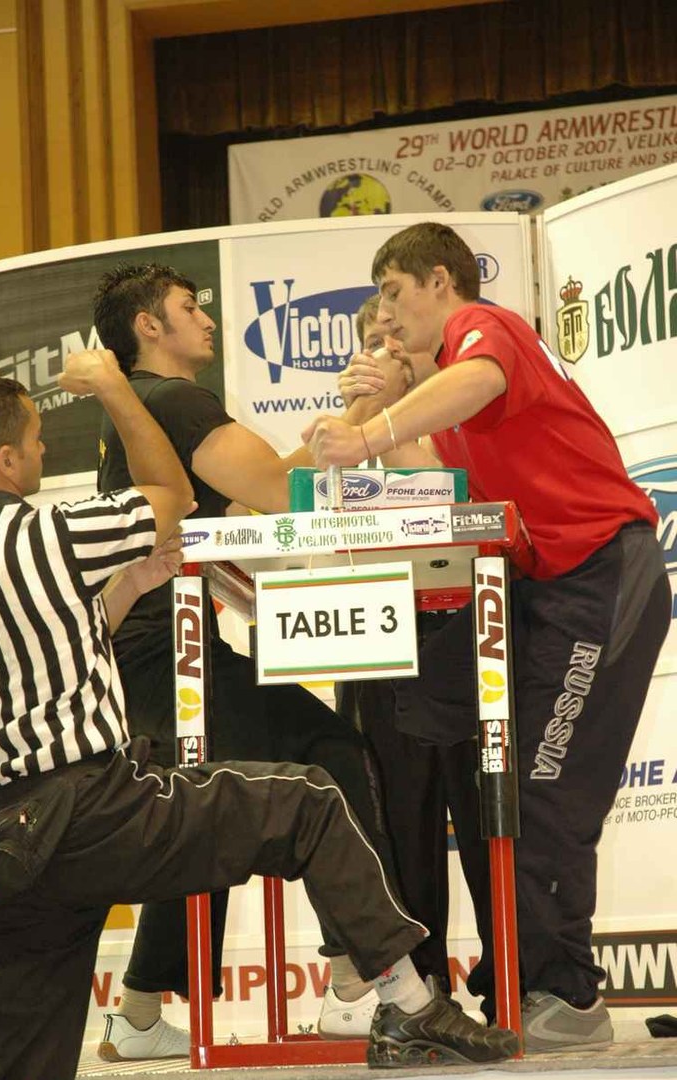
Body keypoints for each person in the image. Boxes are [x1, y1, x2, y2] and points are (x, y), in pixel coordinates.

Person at [0, 363, 519, 1080]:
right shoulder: (51, 533)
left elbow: (47, 642)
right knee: (310, 799)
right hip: (83, 813)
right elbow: (173, 494)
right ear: (5, 461)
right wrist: (114, 390)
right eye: (36, 443)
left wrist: (131, 582)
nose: (42, 455)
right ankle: (409, 1007)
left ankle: (141, 1009)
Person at [304, 220, 671, 1053]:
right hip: (553, 589)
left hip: (601, 575)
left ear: (441, 280)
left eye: (394, 296)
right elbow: (408, 462)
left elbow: (457, 389)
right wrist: (373, 400)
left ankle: (568, 996)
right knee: (513, 791)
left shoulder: (489, 331)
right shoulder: (454, 395)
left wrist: (369, 429)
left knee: (544, 791)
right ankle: (539, 986)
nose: (387, 318)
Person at [91, 262, 424, 1058]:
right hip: (164, 656)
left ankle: (136, 1014)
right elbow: (282, 493)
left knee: (203, 812)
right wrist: (360, 413)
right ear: (148, 328)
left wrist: (338, 431)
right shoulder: (173, 400)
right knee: (327, 752)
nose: (204, 318)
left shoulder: (142, 413)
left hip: (149, 657)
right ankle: (355, 982)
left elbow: (246, 509)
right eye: (186, 307)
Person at [328, 294, 493, 1032]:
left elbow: (444, 494)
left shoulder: (461, 419)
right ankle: (421, 991)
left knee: (485, 817)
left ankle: (515, 974)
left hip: (460, 633)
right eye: (368, 341)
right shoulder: (338, 432)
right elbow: (301, 510)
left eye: (392, 339)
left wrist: (380, 425)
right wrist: (352, 423)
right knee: (397, 822)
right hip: (371, 639)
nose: (379, 352)